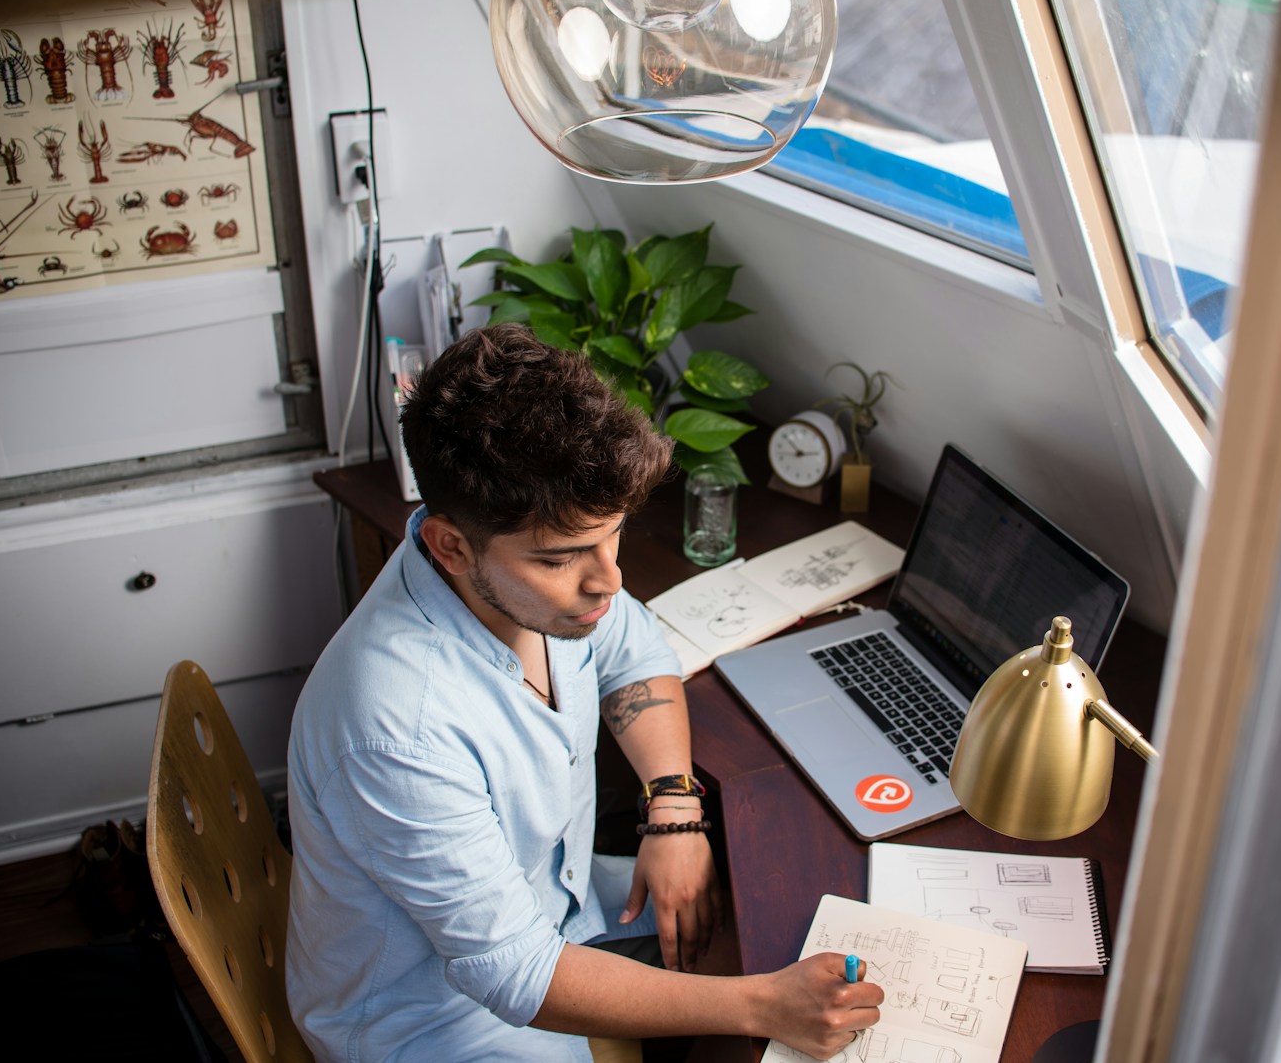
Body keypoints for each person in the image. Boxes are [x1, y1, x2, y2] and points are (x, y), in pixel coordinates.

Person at [285, 324, 882, 1061]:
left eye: (615, 535)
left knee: (767, 918)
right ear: (450, 545)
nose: (610, 580)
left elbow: (635, 646)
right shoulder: (395, 726)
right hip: (434, 1020)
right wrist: (765, 1007)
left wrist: (673, 809)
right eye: (564, 557)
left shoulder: (533, 586)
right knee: (761, 989)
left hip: (554, 904)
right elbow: (517, 974)